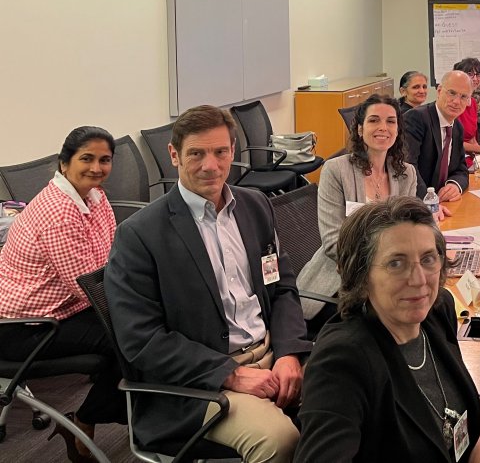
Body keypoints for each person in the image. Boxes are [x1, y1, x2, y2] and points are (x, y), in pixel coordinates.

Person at [105, 105, 313, 461]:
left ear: (233, 151)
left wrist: (290, 352)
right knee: (280, 441)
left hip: (273, 355)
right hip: (200, 384)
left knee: (356, 396)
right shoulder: (139, 235)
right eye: (196, 154)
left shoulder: (255, 206)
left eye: (220, 152)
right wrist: (229, 375)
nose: (210, 166)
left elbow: (281, 289)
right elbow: (141, 340)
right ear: (174, 155)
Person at [295, 197, 480, 462]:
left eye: (428, 259)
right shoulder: (341, 360)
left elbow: (462, 414)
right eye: (395, 264)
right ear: (361, 275)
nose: (419, 280)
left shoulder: (437, 311)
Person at [0, 126, 125, 461]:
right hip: (23, 328)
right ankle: (84, 420)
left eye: (104, 160)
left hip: (67, 307)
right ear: (64, 162)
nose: (96, 168)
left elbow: (114, 257)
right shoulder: (58, 213)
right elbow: (91, 285)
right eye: (87, 158)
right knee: (133, 338)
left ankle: (127, 411)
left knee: (140, 329)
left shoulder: (94, 197)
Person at [297, 94, 424, 334]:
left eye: (390, 121)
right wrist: (387, 262)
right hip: (341, 283)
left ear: (398, 129)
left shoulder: (406, 173)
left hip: (393, 277)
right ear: (359, 128)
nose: (383, 128)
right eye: (374, 120)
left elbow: (410, 231)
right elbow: (333, 243)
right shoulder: (336, 171)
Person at [404, 70, 472, 201]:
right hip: (419, 203)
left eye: (464, 96)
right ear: (439, 91)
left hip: (443, 203)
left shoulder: (457, 126)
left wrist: (454, 185)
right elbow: (408, 168)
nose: (457, 101)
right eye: (451, 93)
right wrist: (430, 201)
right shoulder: (416, 118)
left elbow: (461, 169)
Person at [451, 58, 480, 168]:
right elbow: (453, 143)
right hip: (458, 159)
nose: (475, 79)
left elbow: (472, 137)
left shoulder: (472, 102)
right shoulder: (454, 104)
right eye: (470, 74)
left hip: (471, 157)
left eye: (478, 75)